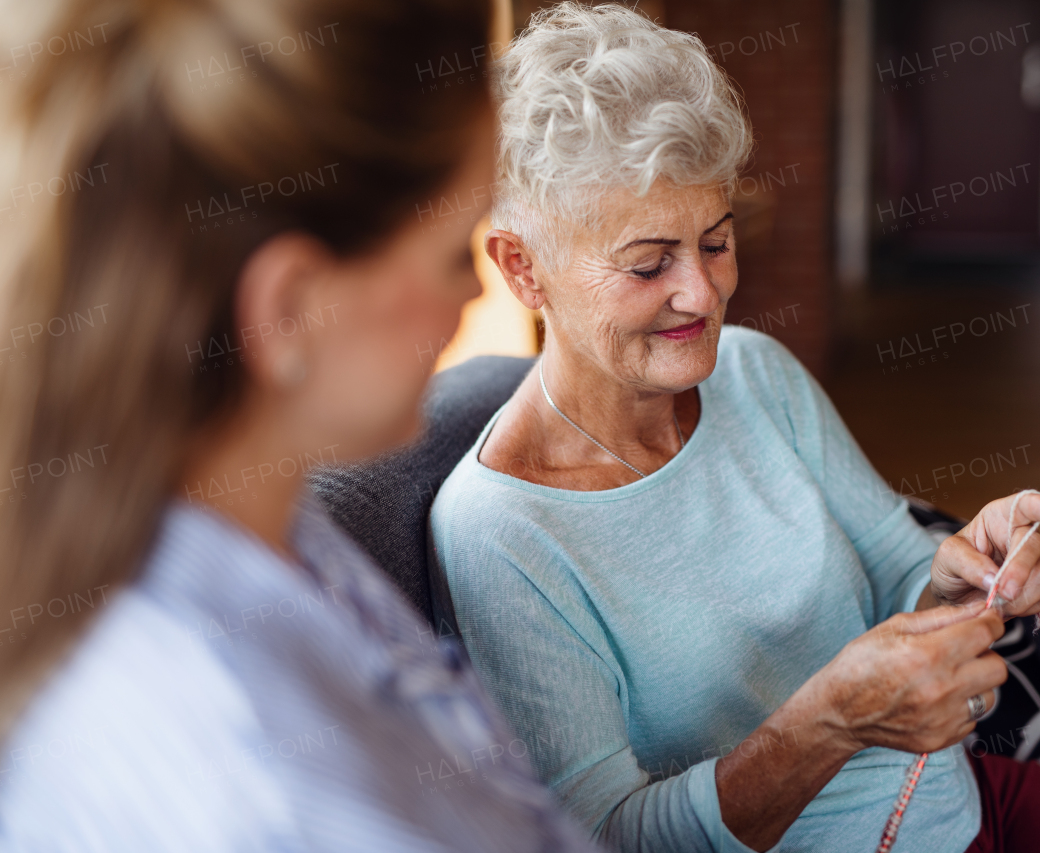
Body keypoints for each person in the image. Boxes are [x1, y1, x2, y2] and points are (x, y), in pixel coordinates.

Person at [429, 4, 1040, 852]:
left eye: (717, 243)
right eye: (649, 263)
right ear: (521, 268)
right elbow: (609, 837)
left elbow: (896, 562)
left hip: (973, 802)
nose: (702, 293)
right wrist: (828, 723)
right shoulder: (503, 533)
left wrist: (957, 577)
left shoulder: (757, 372)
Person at [0, 1, 596, 850]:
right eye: (450, 251)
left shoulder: (272, 527)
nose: (475, 293)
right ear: (289, 312)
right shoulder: (250, 790)